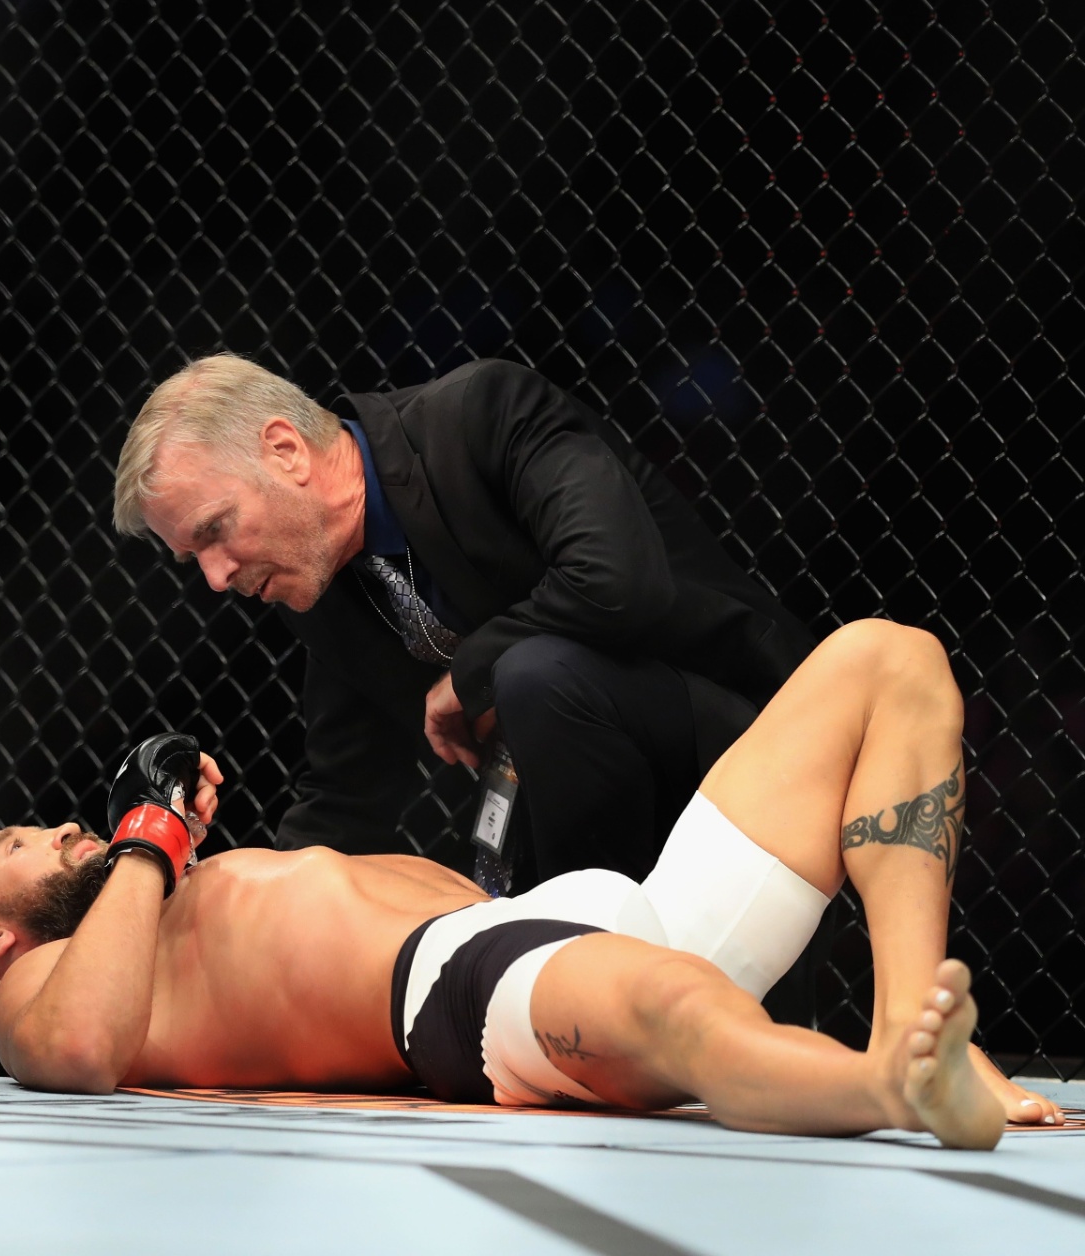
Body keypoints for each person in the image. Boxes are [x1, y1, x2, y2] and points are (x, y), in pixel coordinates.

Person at [0, 620, 1061, 1143]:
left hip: (560, 919)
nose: (58, 826)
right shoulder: (57, 982)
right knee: (679, 1007)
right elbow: (79, 1048)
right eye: (18, 842)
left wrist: (164, 849)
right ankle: (891, 1087)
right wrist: (148, 836)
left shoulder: (167, 902)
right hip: (466, 993)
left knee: (887, 658)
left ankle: (915, 1021)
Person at [110, 356, 828, 1020]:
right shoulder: (320, 585)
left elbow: (616, 579)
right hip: (581, 825)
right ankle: (578, 990)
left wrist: (466, 674)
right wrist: (207, 909)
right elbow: (344, 797)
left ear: (285, 450)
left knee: (534, 676)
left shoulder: (478, 414)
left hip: (750, 746)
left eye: (215, 530)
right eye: (193, 557)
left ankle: (587, 985)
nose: (216, 577)